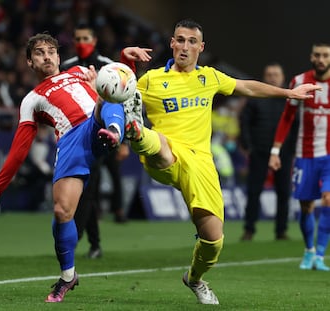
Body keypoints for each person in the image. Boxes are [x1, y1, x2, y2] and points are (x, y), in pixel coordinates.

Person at [120, 19, 320, 304]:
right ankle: (137, 133)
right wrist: (122, 62)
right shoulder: (151, 80)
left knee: (213, 239)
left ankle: (195, 278)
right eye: (180, 40)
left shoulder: (209, 78)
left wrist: (288, 93)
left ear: (201, 47)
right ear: (172, 44)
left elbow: (247, 87)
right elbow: (117, 91)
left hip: (200, 163)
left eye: (191, 41)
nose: (185, 46)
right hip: (165, 155)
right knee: (160, 145)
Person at [0, 32, 126, 302]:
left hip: (96, 124)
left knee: (108, 87)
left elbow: (124, 81)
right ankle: (68, 277)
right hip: (71, 142)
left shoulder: (79, 72)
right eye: (39, 53)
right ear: (30, 62)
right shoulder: (32, 99)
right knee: (61, 211)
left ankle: (115, 130)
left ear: (58, 56)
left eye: (51, 51)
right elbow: (20, 149)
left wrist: (125, 62)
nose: (46, 56)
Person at [61, 23, 129, 259]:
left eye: (85, 37)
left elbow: (122, 100)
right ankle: (94, 243)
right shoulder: (66, 68)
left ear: (95, 39)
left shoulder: (109, 67)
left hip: (105, 133)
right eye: (78, 38)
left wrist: (123, 139)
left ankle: (78, 236)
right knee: (88, 188)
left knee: (93, 187)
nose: (81, 42)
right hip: (78, 135)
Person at [269, 43, 330, 271]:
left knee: (328, 200)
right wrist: (275, 151)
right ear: (311, 57)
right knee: (306, 207)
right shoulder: (299, 82)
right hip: (305, 155)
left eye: (326, 55)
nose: (321, 59)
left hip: (329, 156)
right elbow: (287, 118)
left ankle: (320, 255)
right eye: (318, 55)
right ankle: (309, 251)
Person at [240, 63, 298, 241]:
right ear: (264, 78)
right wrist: (248, 146)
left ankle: (281, 231)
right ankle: (249, 230)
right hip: (259, 151)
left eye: (276, 74)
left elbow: (296, 126)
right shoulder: (255, 99)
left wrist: (293, 149)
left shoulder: (290, 100)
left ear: (283, 77)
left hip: (284, 152)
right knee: (254, 191)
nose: (273, 77)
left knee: (283, 192)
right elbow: (244, 122)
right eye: (269, 74)